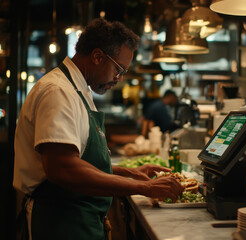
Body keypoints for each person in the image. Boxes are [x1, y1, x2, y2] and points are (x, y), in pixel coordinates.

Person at [13, 18, 184, 240]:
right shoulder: (58, 91)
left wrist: (131, 174)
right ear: (97, 57)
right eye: (118, 69)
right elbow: (63, 168)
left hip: (78, 218)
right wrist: (146, 189)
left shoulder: (79, 89)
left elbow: (83, 162)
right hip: (59, 221)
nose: (119, 79)